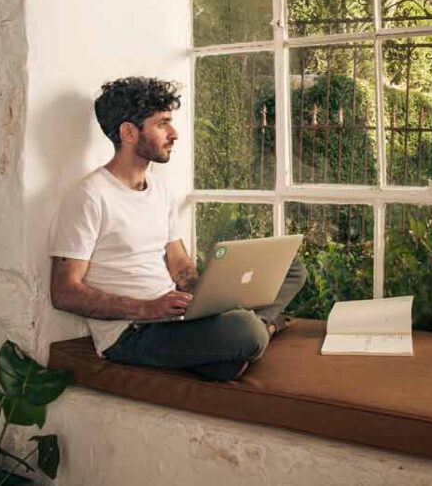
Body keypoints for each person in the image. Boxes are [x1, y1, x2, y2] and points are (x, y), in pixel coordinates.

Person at [48, 77, 306, 381]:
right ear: (128, 132)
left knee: (292, 268)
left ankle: (238, 343)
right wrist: (146, 309)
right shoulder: (88, 196)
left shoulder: (159, 189)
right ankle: (265, 327)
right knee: (244, 330)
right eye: (162, 124)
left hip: (172, 317)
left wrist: (209, 296)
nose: (174, 134)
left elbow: (180, 266)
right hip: (132, 331)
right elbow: (64, 292)